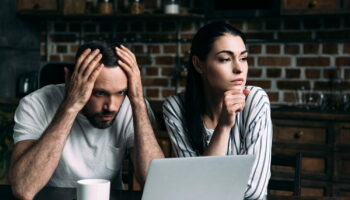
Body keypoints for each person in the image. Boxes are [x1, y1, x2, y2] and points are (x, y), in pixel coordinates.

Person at [9, 41, 164, 200]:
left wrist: (138, 100)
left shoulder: (132, 106)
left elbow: (158, 185)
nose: (111, 106)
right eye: (99, 93)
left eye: (120, 92)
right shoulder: (36, 104)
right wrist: (70, 105)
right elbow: (24, 189)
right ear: (71, 79)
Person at [163, 22, 272, 199]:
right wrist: (223, 127)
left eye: (243, 58)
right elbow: (193, 188)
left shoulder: (255, 100)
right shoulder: (176, 108)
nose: (239, 68)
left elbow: (254, 190)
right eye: (225, 59)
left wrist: (205, 187)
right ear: (199, 65)